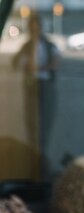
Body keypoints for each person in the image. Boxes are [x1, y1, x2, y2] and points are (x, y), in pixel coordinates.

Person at [12, 13, 60, 180]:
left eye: (36, 26)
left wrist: (42, 68)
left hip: (45, 85)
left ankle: (42, 152)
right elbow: (17, 62)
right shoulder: (27, 46)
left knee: (45, 120)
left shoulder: (48, 45)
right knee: (32, 120)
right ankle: (34, 153)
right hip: (32, 86)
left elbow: (55, 60)